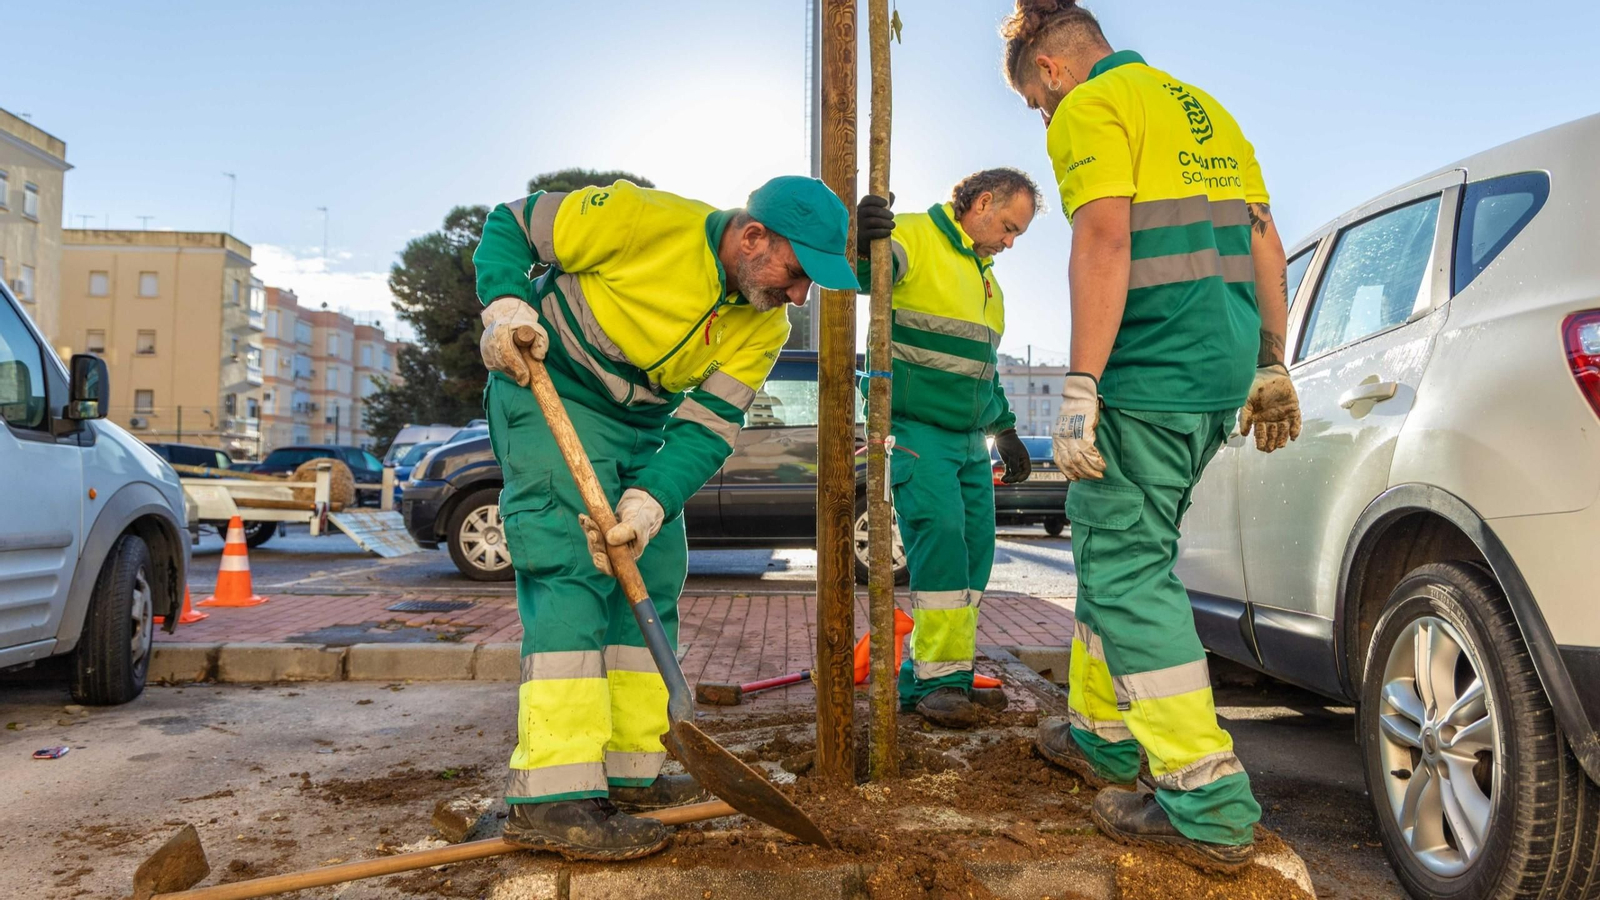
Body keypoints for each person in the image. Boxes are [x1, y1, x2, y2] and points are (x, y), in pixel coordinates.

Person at [999, 0, 1303, 872]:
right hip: (1215, 374)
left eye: (1035, 102)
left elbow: (1102, 239)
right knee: (1121, 549)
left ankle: (1204, 799)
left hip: (1149, 370)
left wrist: (1081, 383)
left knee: (1127, 570)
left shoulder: (1092, 109)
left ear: (1052, 71)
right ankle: (1101, 738)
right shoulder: (1201, 108)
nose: (1044, 118)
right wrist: (1269, 364)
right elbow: (1264, 244)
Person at [474, 175, 858, 860]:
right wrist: (506, 307)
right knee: (573, 566)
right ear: (751, 237)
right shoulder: (639, 218)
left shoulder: (762, 323)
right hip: (551, 388)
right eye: (797, 274)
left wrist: (650, 502)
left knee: (653, 567)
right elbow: (513, 223)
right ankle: (552, 795)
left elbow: (710, 425)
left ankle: (628, 775)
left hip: (641, 424)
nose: (800, 296)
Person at [854, 169, 1041, 728]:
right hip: (913, 428)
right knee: (938, 539)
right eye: (1008, 228)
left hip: (966, 439)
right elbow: (866, 276)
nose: (1009, 243)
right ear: (982, 203)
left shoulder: (989, 284)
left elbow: (984, 373)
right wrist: (862, 238)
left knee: (974, 550)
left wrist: (1004, 429)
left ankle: (943, 673)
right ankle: (939, 681)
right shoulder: (913, 235)